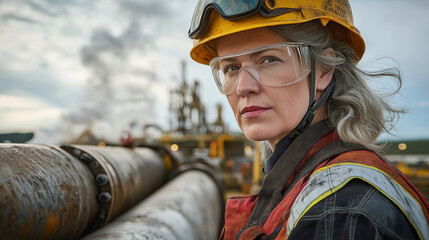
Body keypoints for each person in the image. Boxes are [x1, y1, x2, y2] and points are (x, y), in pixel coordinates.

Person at [188, 0, 429, 239]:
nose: (243, 87)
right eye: (230, 68)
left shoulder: (341, 209)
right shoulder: (304, 185)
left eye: (269, 59)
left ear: (323, 70)